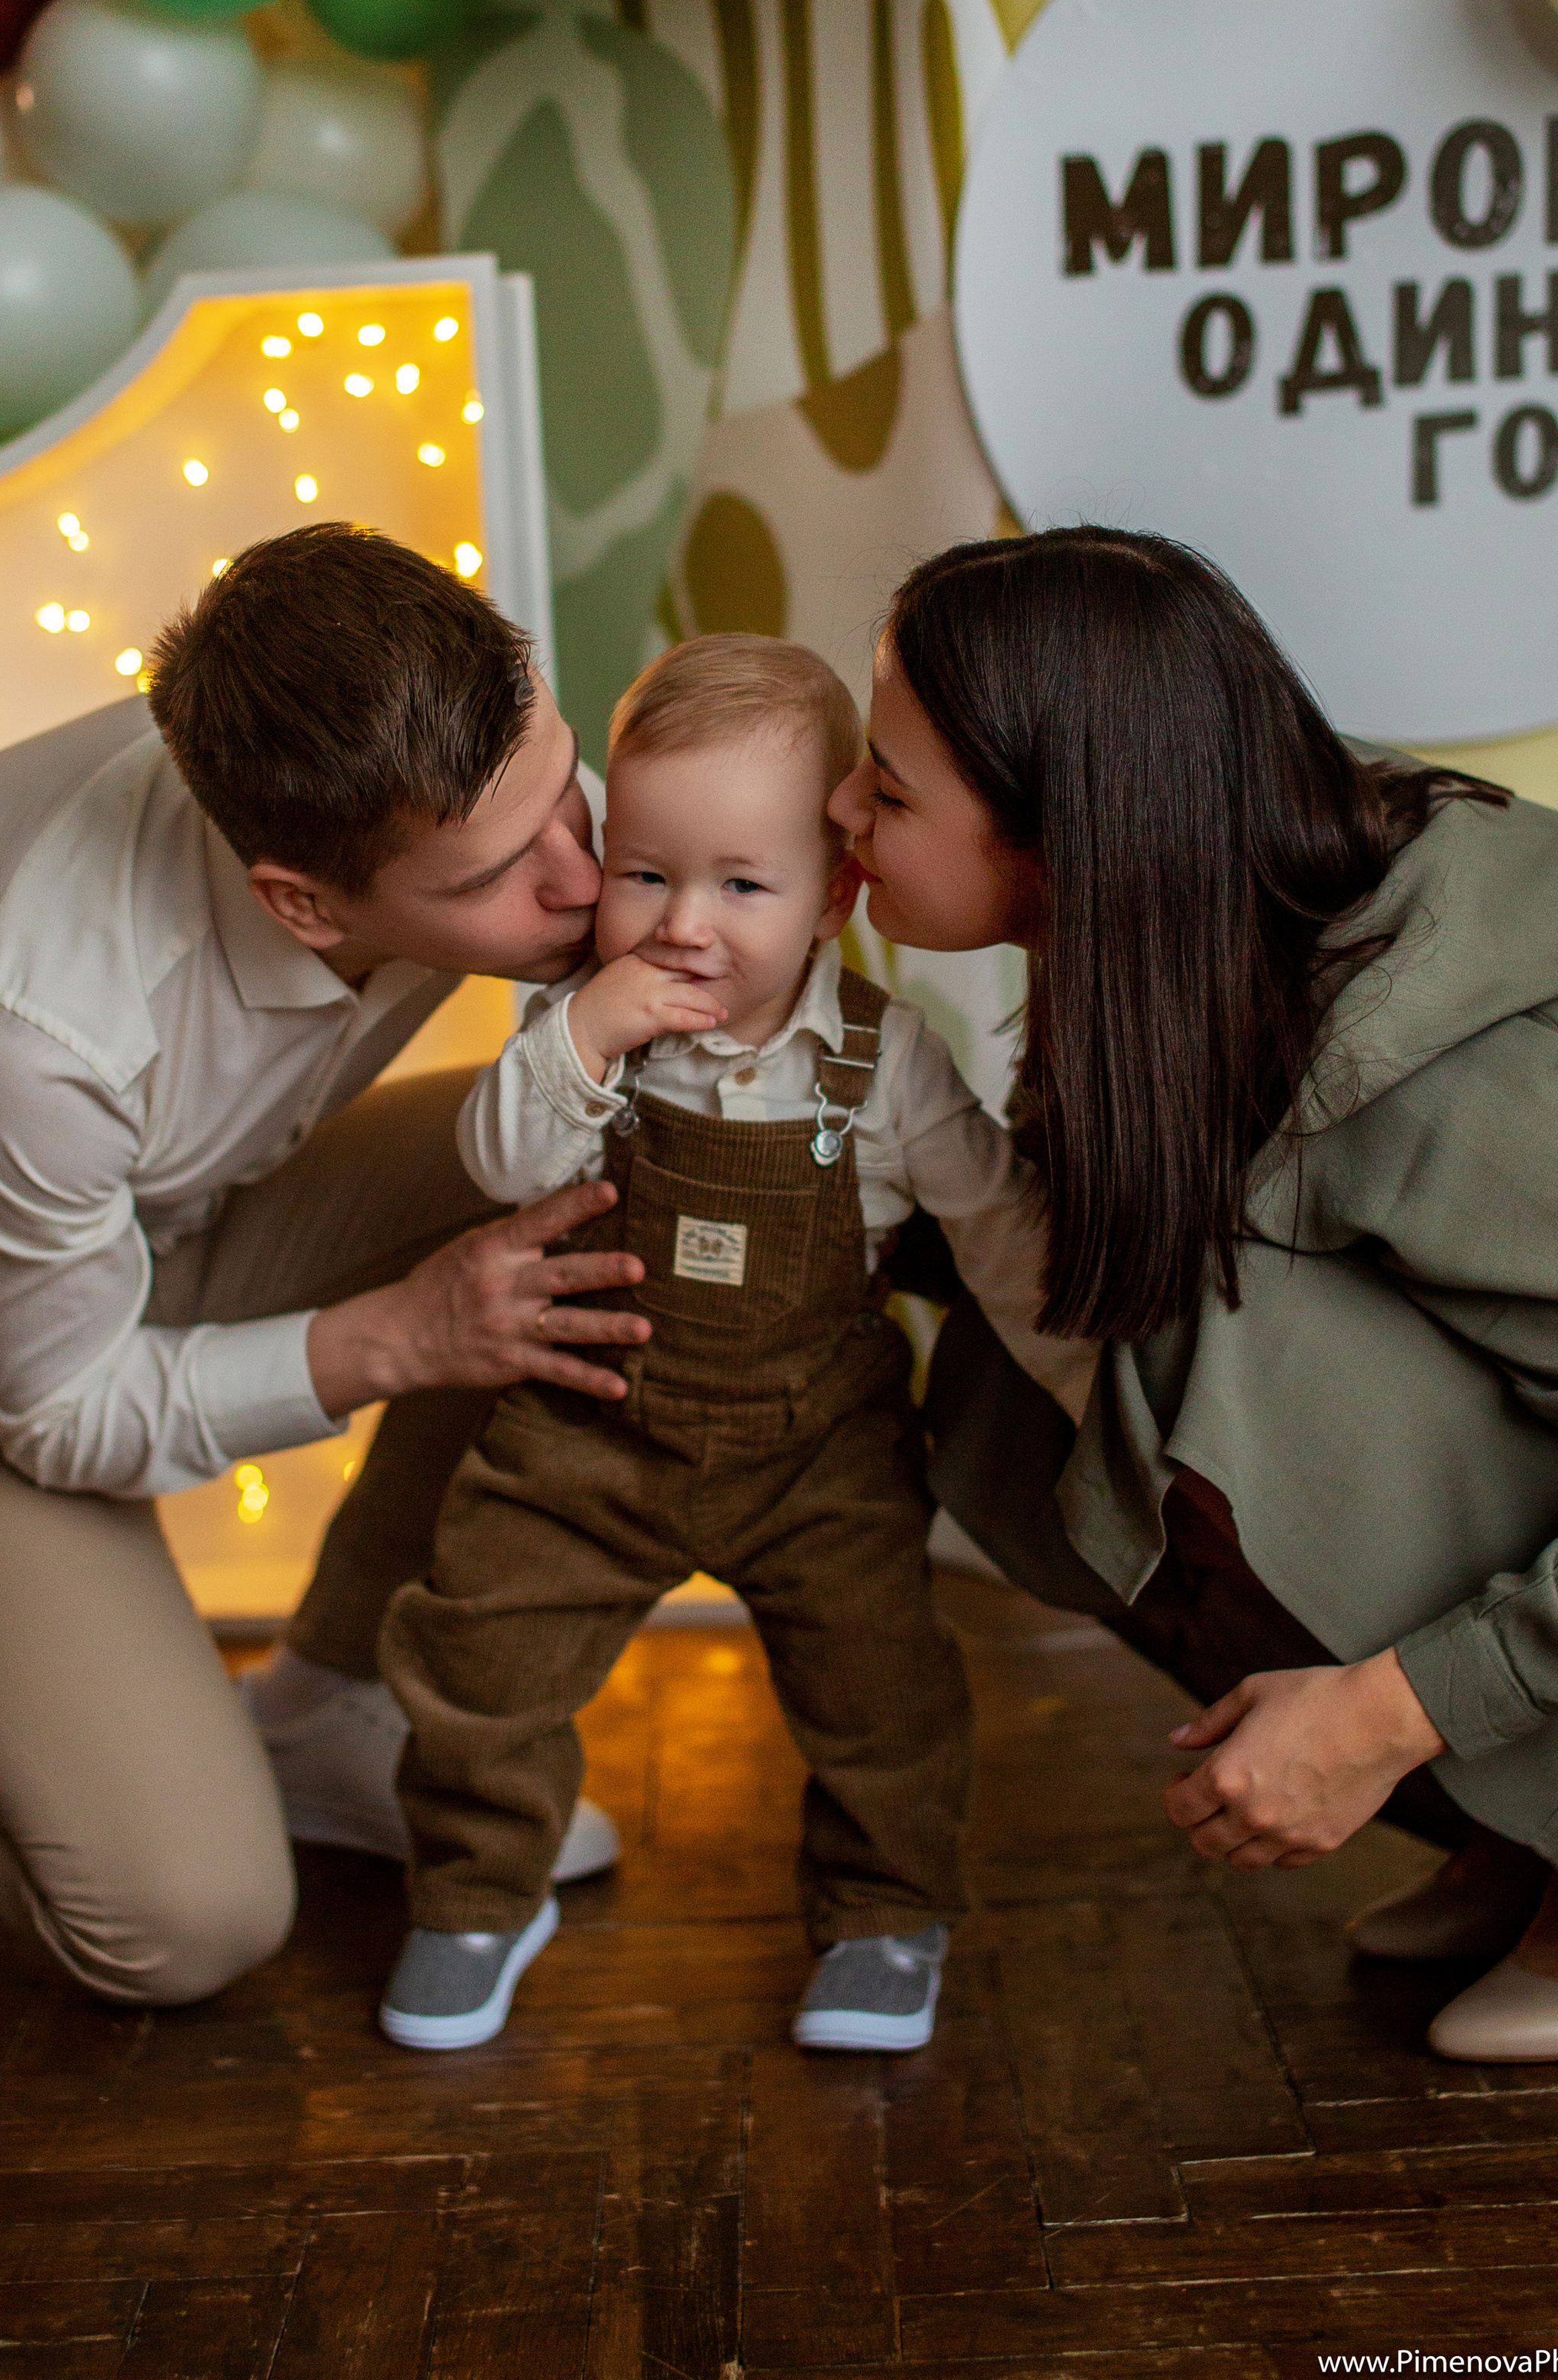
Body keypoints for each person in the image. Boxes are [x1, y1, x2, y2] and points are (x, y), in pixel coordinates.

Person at [0, 525, 659, 2007]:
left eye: (570, 795)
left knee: (610, 1187)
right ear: (303, 899)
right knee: (185, 1922)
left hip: (193, 1206)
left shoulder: (464, 776)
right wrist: (405, 1337)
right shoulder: (32, 1000)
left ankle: (334, 1697)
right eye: (505, 871)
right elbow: (56, 1410)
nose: (586, 876)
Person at [829, 527, 1558, 2068]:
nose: (843, 813)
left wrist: (1382, 1715)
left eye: (885, 791)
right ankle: (1525, 1811)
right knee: (1065, 1349)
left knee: (1233, 1372)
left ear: (1059, 830)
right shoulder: (1201, 882)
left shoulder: (1424, 1075)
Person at [373, 636, 1094, 2055]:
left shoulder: (881, 1064)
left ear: (835, 895)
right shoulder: (585, 1033)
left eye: (741, 884)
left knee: (881, 1690)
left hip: (815, 1443)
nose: (683, 924)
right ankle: (475, 1894)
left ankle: (886, 1916)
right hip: (588, 1427)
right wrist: (581, 1033)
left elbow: (1003, 1233)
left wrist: (1093, 1394)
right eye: (645, 872)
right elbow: (502, 1162)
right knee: (478, 1653)